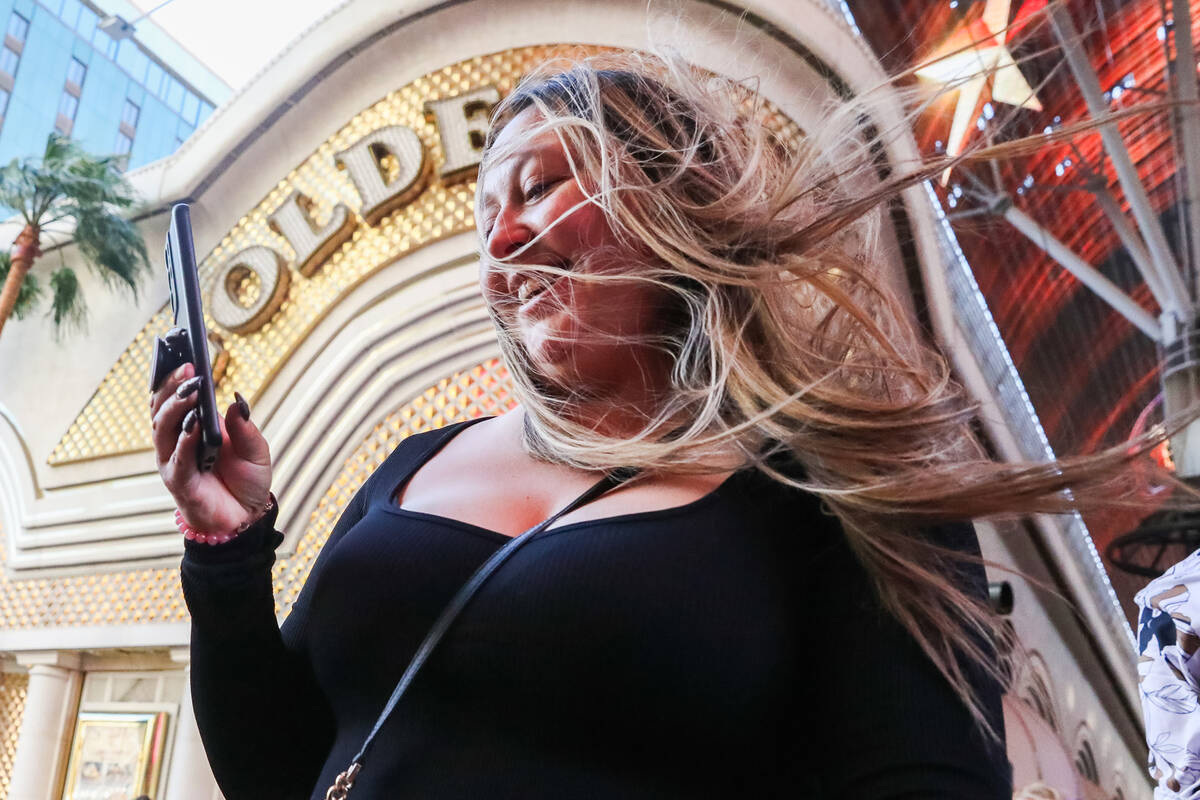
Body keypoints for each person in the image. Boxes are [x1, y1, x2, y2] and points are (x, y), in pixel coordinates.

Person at [150, 51, 1159, 799]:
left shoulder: (830, 489)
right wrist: (227, 550)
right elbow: (282, 770)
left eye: (539, 185)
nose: (500, 239)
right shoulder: (416, 463)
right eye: (483, 216)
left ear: (674, 194)